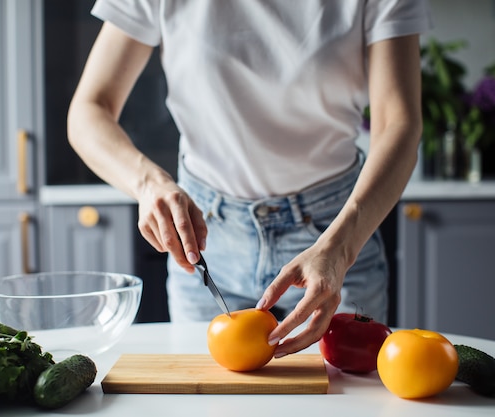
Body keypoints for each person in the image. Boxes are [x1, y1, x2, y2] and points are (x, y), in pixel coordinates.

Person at [67, 0, 433, 358]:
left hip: (336, 236)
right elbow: (89, 109)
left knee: (350, 399)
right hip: (208, 241)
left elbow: (398, 123)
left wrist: (340, 249)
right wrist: (148, 184)